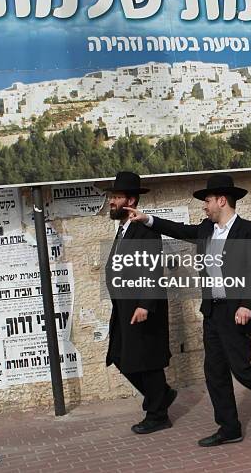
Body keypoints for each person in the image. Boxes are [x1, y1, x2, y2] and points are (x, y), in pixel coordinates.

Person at [125, 173, 251, 446]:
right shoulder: (205, 230)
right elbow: (178, 229)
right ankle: (229, 428)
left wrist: (246, 304)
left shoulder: (249, 230)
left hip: (237, 312)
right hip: (213, 312)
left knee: (242, 369)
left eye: (207, 200)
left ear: (222, 201)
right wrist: (146, 218)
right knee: (215, 374)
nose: (204, 206)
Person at [102, 171, 176, 434]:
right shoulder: (123, 229)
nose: (112, 201)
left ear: (131, 201)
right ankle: (162, 395)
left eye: (117, 197)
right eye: (112, 196)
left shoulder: (145, 229)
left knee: (148, 361)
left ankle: (158, 415)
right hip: (124, 307)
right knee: (120, 356)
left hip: (142, 306)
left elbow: (152, 268)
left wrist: (145, 304)